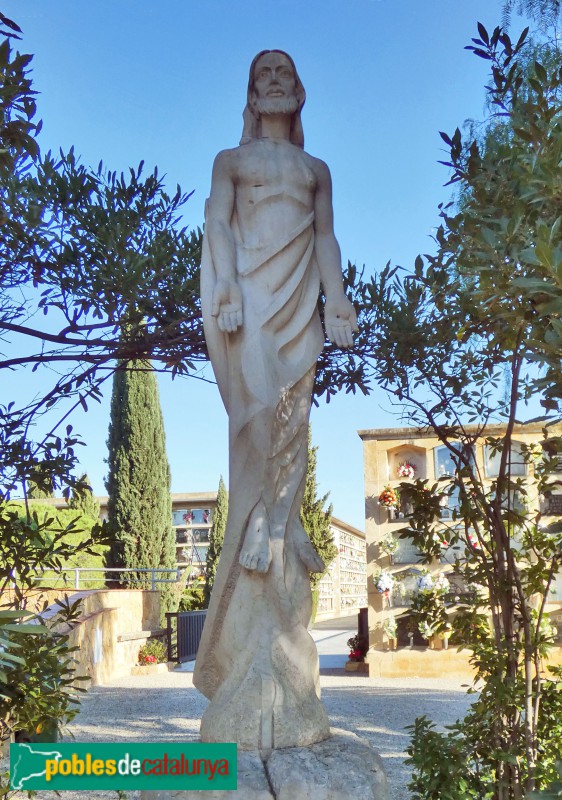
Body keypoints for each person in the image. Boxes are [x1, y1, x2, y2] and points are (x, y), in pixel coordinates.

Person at [194, 50, 357, 750]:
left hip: (301, 307)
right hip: (250, 300)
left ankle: (280, 524)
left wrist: (341, 302)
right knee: (256, 416)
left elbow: (325, 237)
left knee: (294, 416)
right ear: (252, 93)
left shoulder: (317, 171)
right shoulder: (231, 160)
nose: (275, 84)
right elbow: (220, 227)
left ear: (299, 92)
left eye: (284, 76)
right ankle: (272, 523)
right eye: (264, 77)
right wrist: (225, 291)